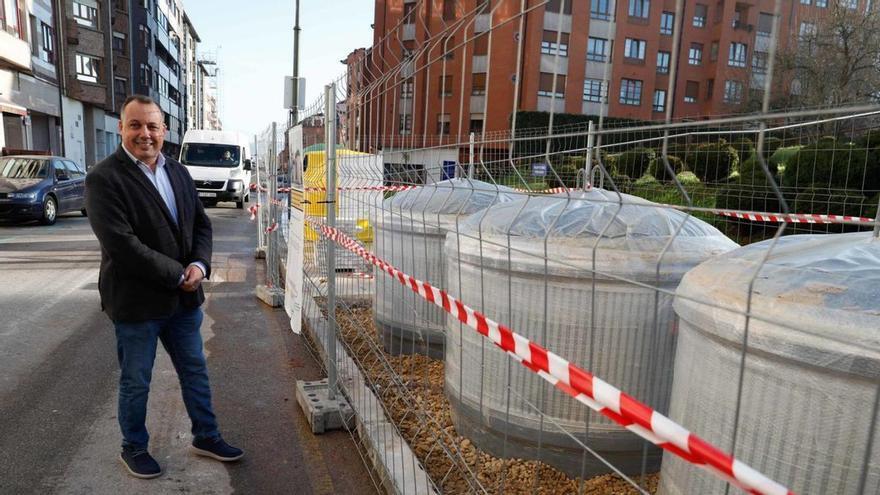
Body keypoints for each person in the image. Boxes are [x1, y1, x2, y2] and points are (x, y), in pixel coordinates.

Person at [85, 95, 243, 479]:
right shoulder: (104, 178)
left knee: (195, 371)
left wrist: (199, 264)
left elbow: (201, 225)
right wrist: (177, 274)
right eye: (135, 125)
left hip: (183, 301)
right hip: (137, 303)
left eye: (152, 126)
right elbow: (122, 245)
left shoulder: (177, 171)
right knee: (137, 380)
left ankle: (206, 436)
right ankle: (134, 447)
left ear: (165, 132)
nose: (145, 134)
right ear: (121, 128)